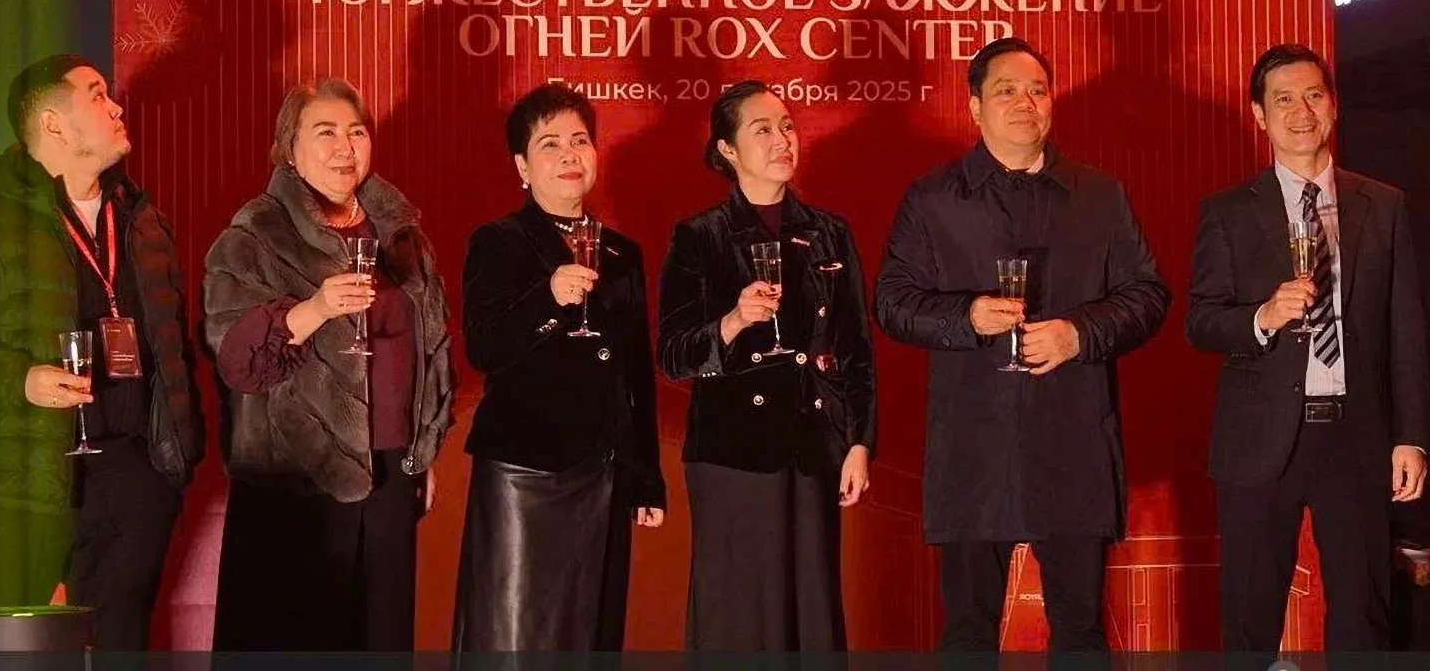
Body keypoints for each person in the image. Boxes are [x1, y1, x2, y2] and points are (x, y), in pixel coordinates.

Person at [874, 37, 1169, 652]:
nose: (1024, 102)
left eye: (1037, 90)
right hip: (972, 451)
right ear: (975, 107)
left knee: (1081, 632)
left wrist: (1078, 333)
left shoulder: (1099, 195)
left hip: (1073, 441)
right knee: (967, 635)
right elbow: (892, 303)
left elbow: (1147, 296)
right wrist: (965, 316)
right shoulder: (932, 199)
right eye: (1005, 90)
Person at [0, 54, 203, 648]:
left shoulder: (140, 218)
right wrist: (20, 380)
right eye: (96, 95)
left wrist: (172, 461)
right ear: (53, 123)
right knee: (8, 650)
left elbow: (175, 344)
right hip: (16, 479)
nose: (116, 107)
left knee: (120, 646)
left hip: (133, 476)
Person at [1187, 44, 1429, 652]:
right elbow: (1202, 321)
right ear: (1260, 115)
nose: (1302, 112)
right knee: (1250, 619)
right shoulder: (1226, 213)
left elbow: (1406, 328)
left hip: (1356, 434)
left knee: (1364, 615)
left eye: (1314, 96)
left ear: (1333, 105)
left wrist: (1411, 436)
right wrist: (1262, 317)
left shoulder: (1383, 204)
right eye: (1284, 100)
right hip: (1259, 437)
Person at [202, 78, 454, 651]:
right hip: (298, 480)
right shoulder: (255, 234)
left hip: (389, 472)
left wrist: (422, 451)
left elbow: (427, 353)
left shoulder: (401, 236)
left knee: (380, 638)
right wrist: (314, 309)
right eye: (326, 133)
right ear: (289, 149)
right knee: (298, 640)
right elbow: (236, 361)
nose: (345, 147)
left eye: (356, 133)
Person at [657, 79, 876, 651]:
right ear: (727, 150)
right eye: (762, 130)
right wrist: (731, 323)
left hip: (813, 442)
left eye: (787, 126)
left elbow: (855, 348)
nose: (782, 140)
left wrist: (859, 441)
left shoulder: (829, 233)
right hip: (733, 451)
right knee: (741, 616)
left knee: (811, 612)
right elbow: (673, 355)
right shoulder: (699, 236)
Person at [452, 83, 665, 652]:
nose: (570, 154)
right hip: (525, 471)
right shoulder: (498, 242)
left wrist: (646, 477)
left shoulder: (621, 253)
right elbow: (483, 348)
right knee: (515, 634)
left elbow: (634, 373)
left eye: (580, 141)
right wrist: (548, 298)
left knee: (590, 634)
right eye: (550, 144)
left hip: (603, 470)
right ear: (522, 166)